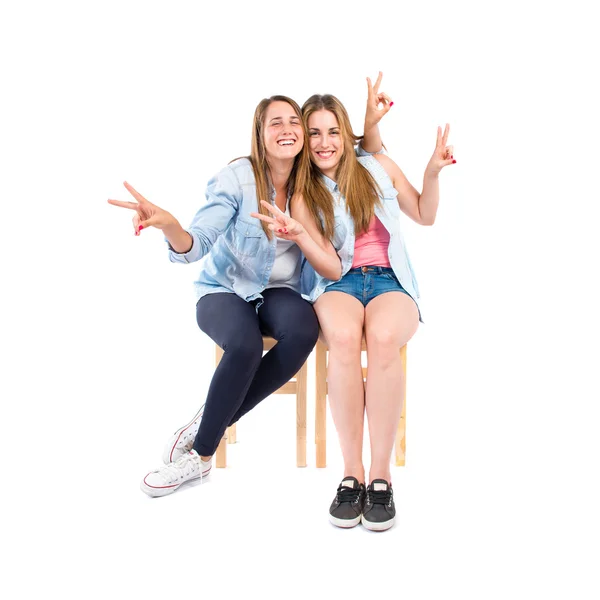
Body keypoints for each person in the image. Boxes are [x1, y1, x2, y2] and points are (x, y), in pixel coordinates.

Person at [107, 85, 385, 498]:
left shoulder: (314, 187)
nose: (288, 129)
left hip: (280, 291)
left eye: (295, 122)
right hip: (225, 290)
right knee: (244, 345)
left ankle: (207, 421)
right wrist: (169, 226)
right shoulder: (236, 178)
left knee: (304, 331)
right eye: (277, 123)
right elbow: (196, 243)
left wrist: (370, 126)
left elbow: (361, 157)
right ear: (260, 133)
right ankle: (200, 457)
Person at [268, 89, 455, 530]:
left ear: (346, 133)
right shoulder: (302, 195)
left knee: (385, 338)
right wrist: (300, 235)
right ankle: (351, 473)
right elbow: (329, 265)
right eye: (313, 133)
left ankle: (381, 476)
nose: (323, 142)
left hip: (391, 280)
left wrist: (432, 171)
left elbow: (425, 215)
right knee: (347, 339)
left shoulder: (377, 166)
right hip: (339, 281)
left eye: (333, 131)